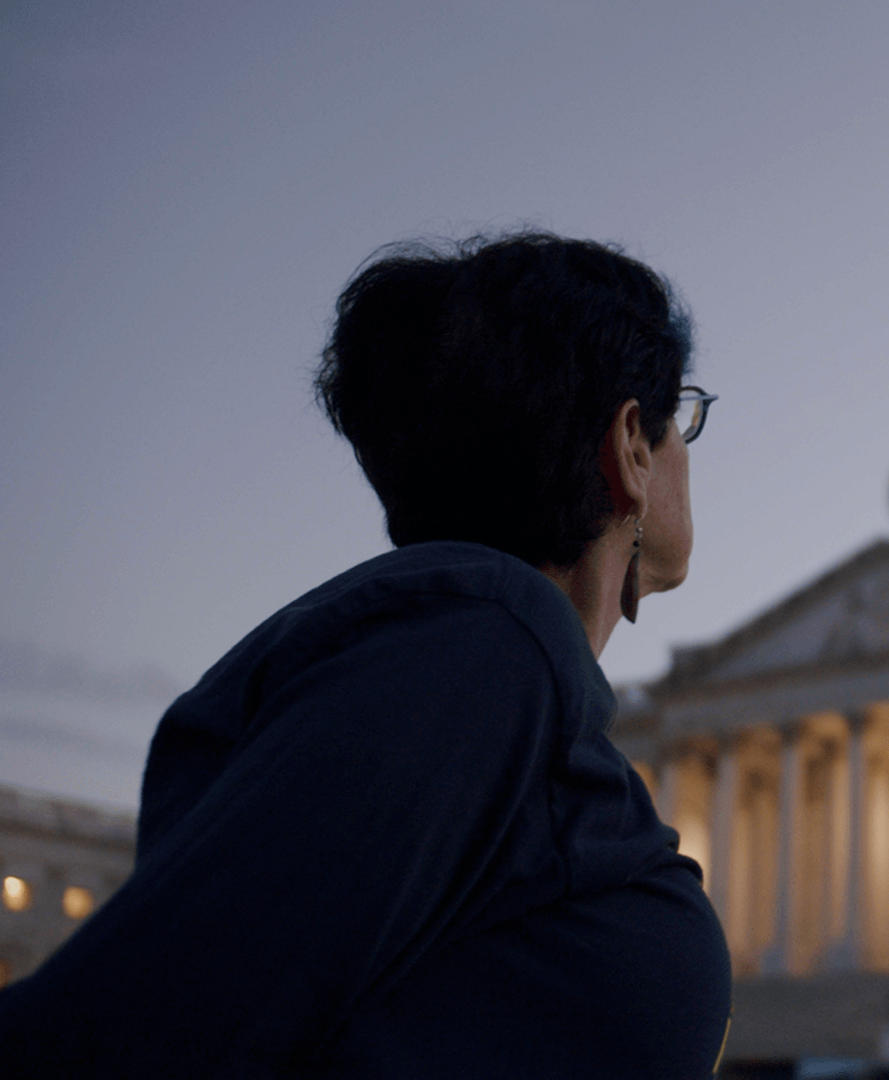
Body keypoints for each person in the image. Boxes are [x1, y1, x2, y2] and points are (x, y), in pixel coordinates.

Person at [0, 233, 731, 1077]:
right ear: (631, 445)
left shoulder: (485, 656)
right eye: (682, 420)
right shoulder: (483, 649)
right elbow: (131, 1032)